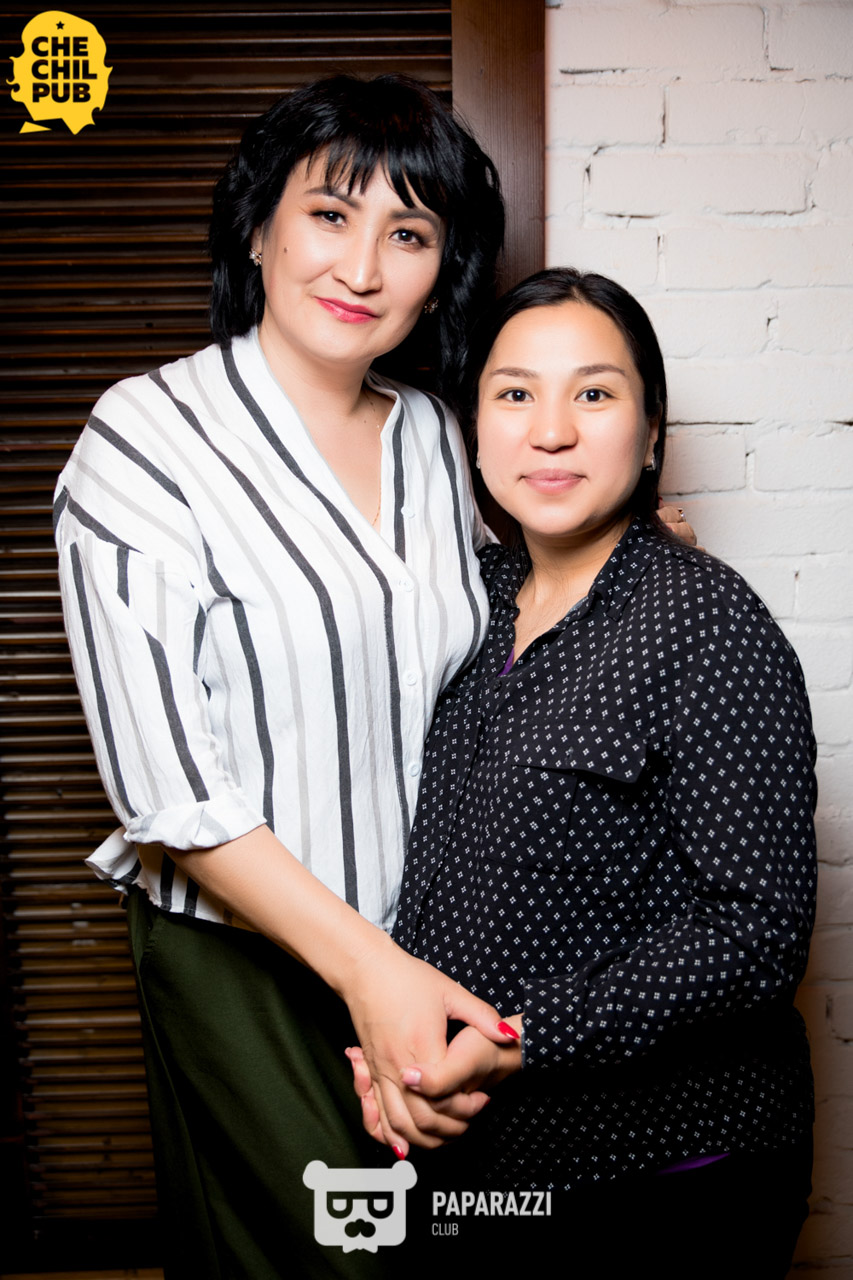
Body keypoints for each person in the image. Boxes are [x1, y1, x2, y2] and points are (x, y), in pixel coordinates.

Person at [54, 73, 521, 1280]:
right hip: (248, 957)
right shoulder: (144, 438)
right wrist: (370, 973)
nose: (361, 266)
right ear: (258, 227)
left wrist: (633, 545)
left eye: (407, 234)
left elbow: (506, 626)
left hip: (430, 943)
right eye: (329, 214)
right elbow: (166, 790)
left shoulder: (438, 436)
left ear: (442, 272)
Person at [354, 268, 817, 1277]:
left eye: (594, 393)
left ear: (651, 434)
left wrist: (521, 1037)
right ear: (475, 429)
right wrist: (393, 1052)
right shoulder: (464, 605)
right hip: (473, 1157)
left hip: (660, 1176)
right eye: (515, 393)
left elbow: (756, 933)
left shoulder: (706, 624)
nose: (551, 430)